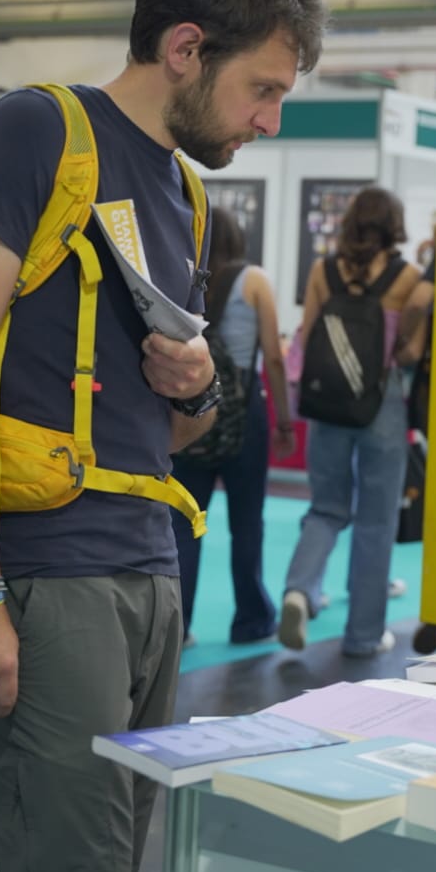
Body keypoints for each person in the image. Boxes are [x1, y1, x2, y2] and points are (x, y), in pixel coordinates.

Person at [0, 0, 324, 872]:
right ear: (185, 47)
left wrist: (193, 387)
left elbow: (171, 435)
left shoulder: (180, 190)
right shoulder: (37, 131)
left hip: (150, 567)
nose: (268, 121)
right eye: (261, 90)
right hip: (46, 575)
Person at [279, 186, 423, 658]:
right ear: (394, 224)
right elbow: (410, 353)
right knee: (376, 521)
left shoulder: (323, 270)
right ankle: (363, 636)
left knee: (326, 507)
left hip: (328, 403)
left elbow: (309, 334)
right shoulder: (409, 279)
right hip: (381, 404)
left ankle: (300, 590)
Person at [171, 206, 295, 646]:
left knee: (185, 519)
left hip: (191, 408)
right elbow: (274, 358)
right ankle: (251, 620)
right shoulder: (254, 281)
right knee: (247, 521)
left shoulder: (183, 278)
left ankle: (176, 626)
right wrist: (285, 419)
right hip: (245, 412)